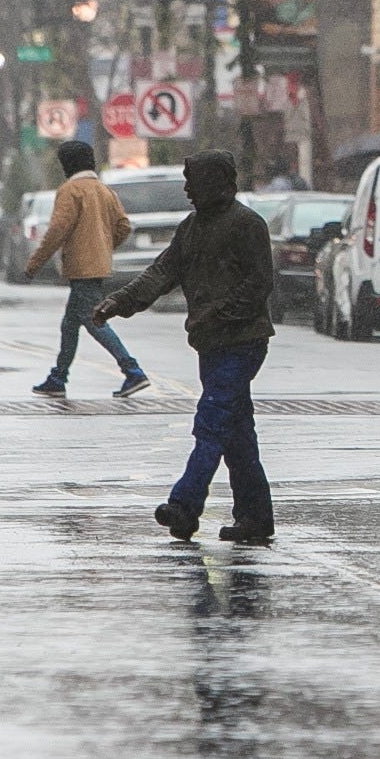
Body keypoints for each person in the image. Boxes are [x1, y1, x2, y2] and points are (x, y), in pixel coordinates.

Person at [96, 150, 276, 547]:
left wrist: (220, 315)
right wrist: (119, 303)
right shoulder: (191, 229)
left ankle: (185, 503)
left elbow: (259, 282)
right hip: (210, 345)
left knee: (211, 423)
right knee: (236, 433)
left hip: (242, 344)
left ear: (216, 182)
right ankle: (255, 516)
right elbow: (161, 273)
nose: (187, 189)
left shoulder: (247, 225)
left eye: (193, 180)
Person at [22, 139, 151, 396]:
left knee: (95, 321)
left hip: (81, 268)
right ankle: (58, 377)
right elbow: (123, 226)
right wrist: (104, 246)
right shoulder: (103, 190)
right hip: (98, 266)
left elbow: (58, 230)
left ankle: (132, 370)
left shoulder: (71, 191)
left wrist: (34, 264)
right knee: (70, 325)